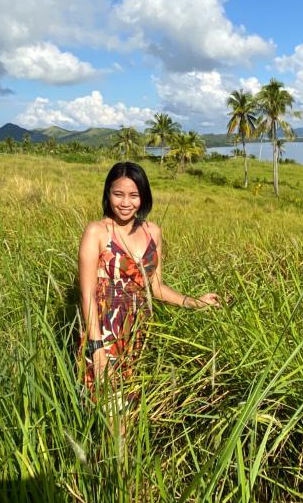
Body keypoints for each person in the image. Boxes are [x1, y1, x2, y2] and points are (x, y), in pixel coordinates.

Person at [79, 161, 221, 401]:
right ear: (108, 194)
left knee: (134, 412)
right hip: (105, 335)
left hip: (139, 335)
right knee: (111, 416)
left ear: (143, 197)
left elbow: (155, 287)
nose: (125, 203)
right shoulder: (97, 232)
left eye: (134, 195)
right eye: (118, 194)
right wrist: (96, 347)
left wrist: (195, 302)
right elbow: (88, 295)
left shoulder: (152, 231)